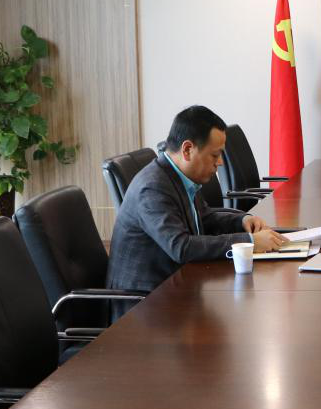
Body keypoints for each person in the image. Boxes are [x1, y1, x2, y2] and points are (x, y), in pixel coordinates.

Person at [107, 105, 286, 297]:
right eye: (215, 155)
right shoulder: (152, 188)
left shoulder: (177, 175)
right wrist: (249, 242)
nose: (220, 162)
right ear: (187, 150)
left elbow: (204, 218)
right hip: (144, 302)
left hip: (177, 286)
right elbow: (181, 247)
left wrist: (242, 221)